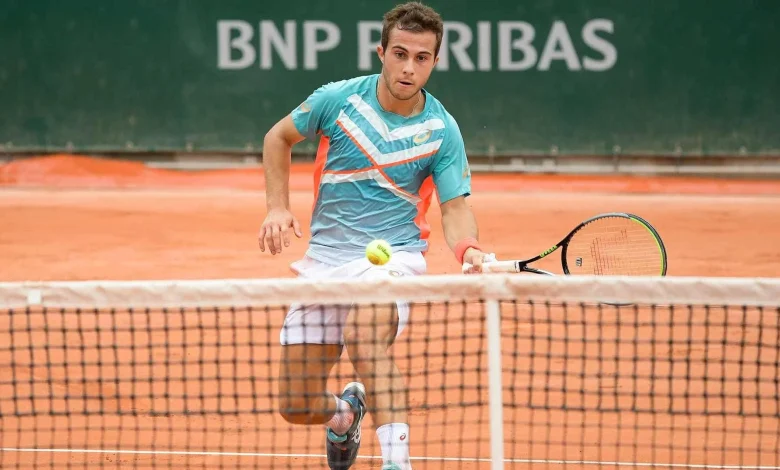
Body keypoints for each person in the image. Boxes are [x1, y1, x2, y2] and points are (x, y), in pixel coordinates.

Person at [258, 2, 492, 469]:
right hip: (325, 261)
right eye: (400, 54)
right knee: (296, 404)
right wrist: (277, 207)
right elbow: (277, 137)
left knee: (364, 338)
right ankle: (345, 415)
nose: (408, 68)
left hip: (392, 259)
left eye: (421, 58)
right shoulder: (338, 100)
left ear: (435, 61)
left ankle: (396, 462)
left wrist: (468, 248)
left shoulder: (441, 130)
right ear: (381, 52)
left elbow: (455, 208)